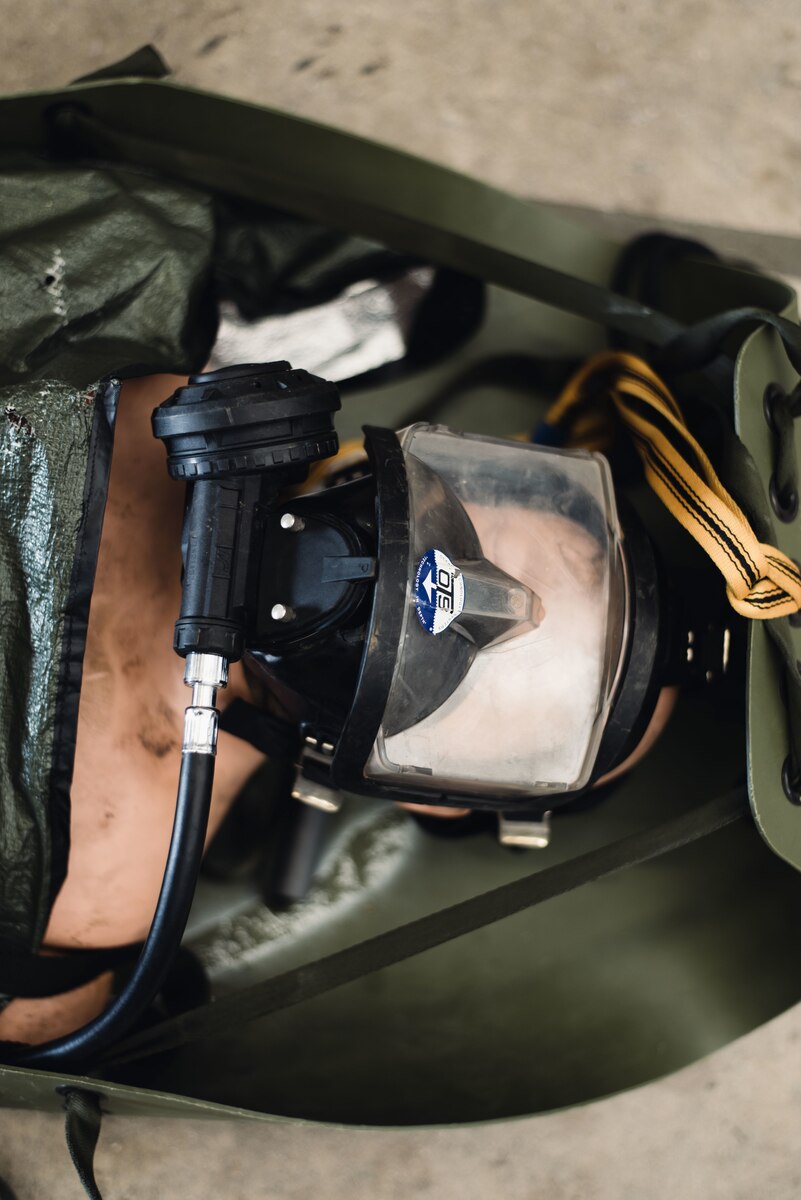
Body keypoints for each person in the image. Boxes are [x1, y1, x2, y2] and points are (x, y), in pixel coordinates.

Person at [0, 373, 675, 1047]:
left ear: (428, 786)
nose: (467, 597)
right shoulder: (172, 398)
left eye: (519, 687)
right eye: (552, 561)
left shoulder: (100, 896)